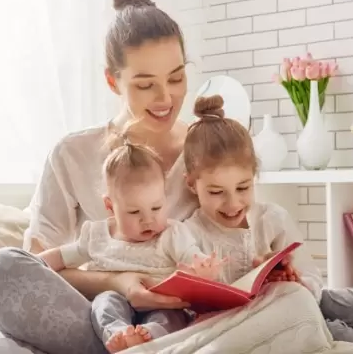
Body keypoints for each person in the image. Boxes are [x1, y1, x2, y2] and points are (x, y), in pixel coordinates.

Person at [0, 0, 204, 354]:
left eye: (177, 78)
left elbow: (241, 240)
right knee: (1, 270)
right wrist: (119, 282)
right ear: (113, 81)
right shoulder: (72, 154)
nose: (166, 98)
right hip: (100, 315)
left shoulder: (208, 148)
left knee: (295, 297)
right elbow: (39, 269)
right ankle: (130, 346)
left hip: (190, 317)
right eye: (145, 85)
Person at [179, 94, 353, 343]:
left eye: (243, 187)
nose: (233, 203)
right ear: (192, 184)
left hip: (302, 299)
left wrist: (293, 280)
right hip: (261, 322)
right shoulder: (188, 234)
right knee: (329, 334)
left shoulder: (272, 218)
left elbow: (313, 280)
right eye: (216, 192)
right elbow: (193, 313)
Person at [38, 127, 223, 353]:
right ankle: (118, 336)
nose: (148, 220)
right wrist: (34, 263)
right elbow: (61, 256)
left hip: (162, 303)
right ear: (110, 207)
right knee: (103, 304)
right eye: (134, 212)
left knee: (171, 317)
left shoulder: (172, 234)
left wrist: (204, 269)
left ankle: (150, 339)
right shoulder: (97, 236)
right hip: (116, 300)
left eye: (156, 207)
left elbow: (192, 257)